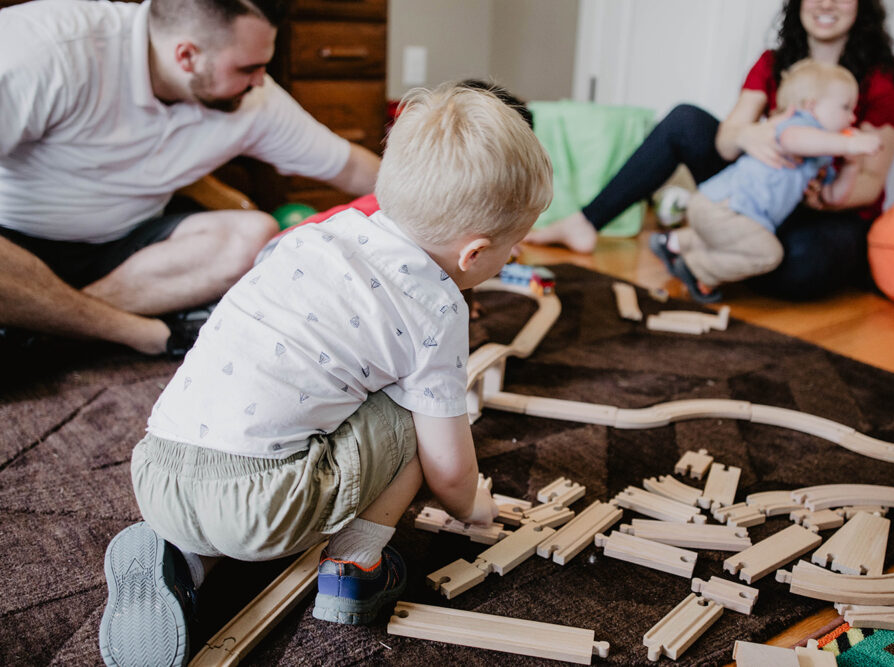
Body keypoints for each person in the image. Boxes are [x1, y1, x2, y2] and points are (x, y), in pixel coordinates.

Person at [98, 83, 553, 666]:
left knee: (268, 429)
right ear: (474, 255)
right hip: (262, 505)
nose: (511, 260)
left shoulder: (311, 235)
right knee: (417, 412)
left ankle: (179, 559)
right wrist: (473, 508)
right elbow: (448, 466)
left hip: (159, 466)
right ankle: (355, 566)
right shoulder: (437, 304)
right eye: (511, 250)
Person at [0, 0, 380, 358]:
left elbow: (350, 167)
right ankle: (142, 334)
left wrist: (431, 201)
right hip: (15, 240)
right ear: (186, 56)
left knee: (252, 235)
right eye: (248, 68)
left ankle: (41, 328)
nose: (261, 81)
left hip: (127, 248)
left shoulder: (252, 98)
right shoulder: (46, 50)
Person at [525, 0, 894, 301]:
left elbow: (869, 185)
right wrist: (749, 136)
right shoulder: (773, 63)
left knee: (801, 265)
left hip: (820, 214)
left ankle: (705, 252)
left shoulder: (881, 80)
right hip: (757, 198)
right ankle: (586, 223)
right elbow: (726, 141)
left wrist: (828, 193)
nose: (825, 3)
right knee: (685, 120)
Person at [651, 59, 883, 303]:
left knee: (735, 240)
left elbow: (834, 196)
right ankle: (696, 268)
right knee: (769, 254)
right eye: (845, 108)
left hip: (721, 210)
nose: (852, 117)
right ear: (811, 106)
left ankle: (674, 242)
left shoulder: (824, 154)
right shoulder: (797, 123)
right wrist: (848, 143)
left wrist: (852, 164)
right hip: (727, 207)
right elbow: (793, 140)